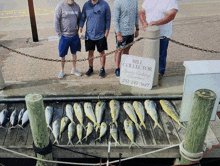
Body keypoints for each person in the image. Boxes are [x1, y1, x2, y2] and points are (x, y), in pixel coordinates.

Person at [139, 0, 179, 79]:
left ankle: (159, 73)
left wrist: (157, 22)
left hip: (163, 34)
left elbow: (172, 14)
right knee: (149, 54)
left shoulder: (171, 1)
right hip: (149, 34)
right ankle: (148, 74)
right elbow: (142, 12)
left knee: (161, 55)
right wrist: (144, 22)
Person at [79, 0, 111, 78]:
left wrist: (107, 30)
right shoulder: (86, 5)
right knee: (90, 52)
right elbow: (83, 18)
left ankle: (102, 69)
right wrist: (80, 29)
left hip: (101, 34)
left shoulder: (104, 4)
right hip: (89, 35)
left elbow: (108, 19)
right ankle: (90, 68)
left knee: (101, 52)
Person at [54, 0, 82, 79]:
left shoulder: (77, 6)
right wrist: (59, 35)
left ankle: (74, 69)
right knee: (62, 55)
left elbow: (80, 20)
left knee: (74, 53)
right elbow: (56, 21)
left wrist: (79, 31)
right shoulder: (60, 6)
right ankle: (62, 70)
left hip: (74, 36)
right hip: (64, 36)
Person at [113, 0, 139, 78]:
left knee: (127, 50)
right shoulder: (118, 2)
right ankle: (117, 68)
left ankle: (125, 67)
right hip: (121, 33)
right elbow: (115, 19)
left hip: (131, 32)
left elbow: (136, 15)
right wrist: (118, 34)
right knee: (119, 50)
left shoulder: (134, 1)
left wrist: (137, 29)